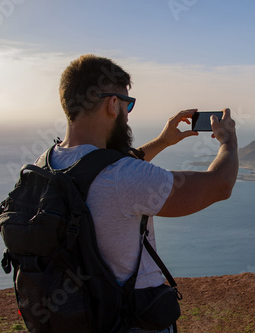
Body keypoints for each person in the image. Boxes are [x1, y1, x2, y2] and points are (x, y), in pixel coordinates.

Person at [40, 54, 238, 332]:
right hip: (130, 319)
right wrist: (228, 141)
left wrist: (162, 142)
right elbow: (220, 185)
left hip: (76, 317)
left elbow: (98, 169)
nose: (128, 112)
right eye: (127, 104)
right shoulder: (124, 177)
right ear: (112, 104)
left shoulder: (44, 165)